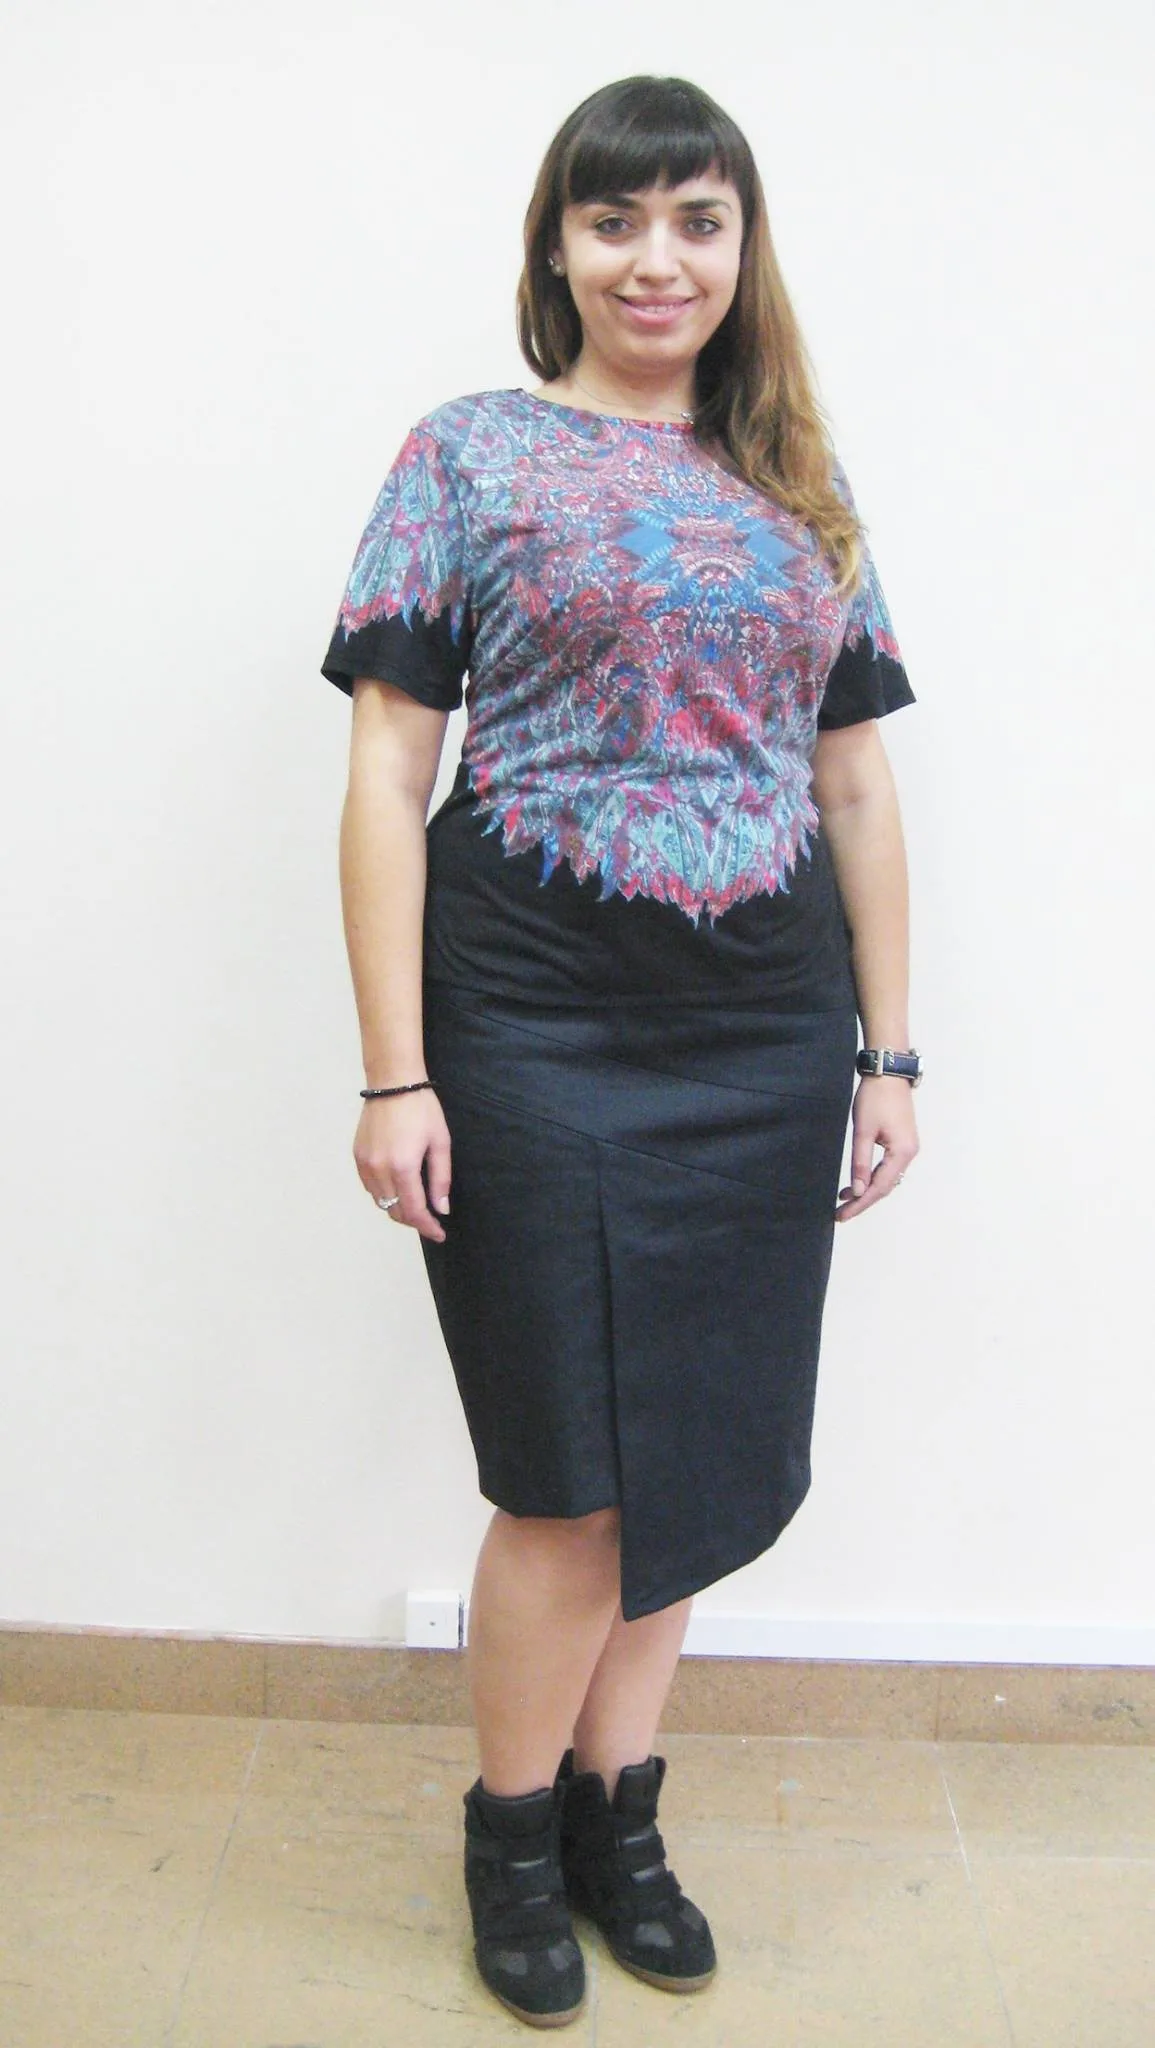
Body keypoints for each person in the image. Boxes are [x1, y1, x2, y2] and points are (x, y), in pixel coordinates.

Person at [320, 72, 920, 2031]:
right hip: (528, 1021)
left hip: (760, 1037)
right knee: (566, 1475)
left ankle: (617, 1824)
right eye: (614, 218)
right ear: (558, 247)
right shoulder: (466, 456)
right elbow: (387, 769)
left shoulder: (801, 482)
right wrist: (394, 1071)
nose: (656, 258)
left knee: (691, 1460)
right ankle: (508, 1838)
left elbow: (853, 784)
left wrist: (890, 1053)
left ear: (742, 251)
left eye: (695, 219)